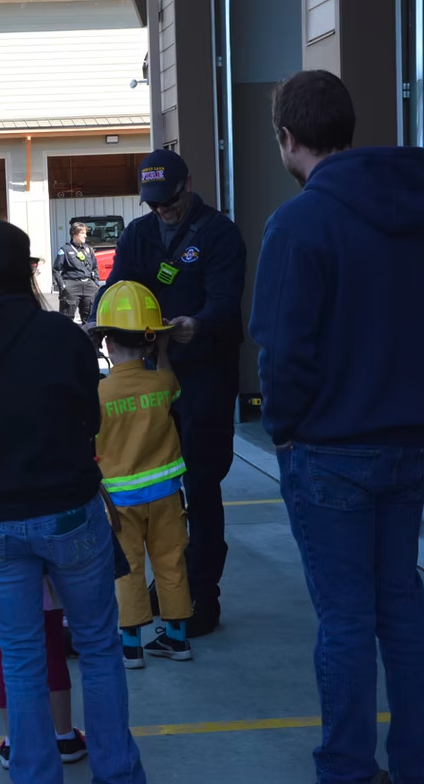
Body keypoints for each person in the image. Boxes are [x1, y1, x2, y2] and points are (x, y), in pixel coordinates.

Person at [249, 69, 424, 784]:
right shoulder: (418, 220)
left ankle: (346, 768)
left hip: (328, 452)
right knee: (402, 611)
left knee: (345, 621)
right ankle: (417, 769)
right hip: (405, 446)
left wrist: (283, 429)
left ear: (287, 136)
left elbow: (282, 351)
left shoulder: (298, 223)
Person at [0, 220, 144, 784]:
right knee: (98, 647)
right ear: (21, 270)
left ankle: (33, 774)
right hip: (68, 510)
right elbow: (89, 419)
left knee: (21, 657)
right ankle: (116, 771)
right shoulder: (60, 336)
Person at [89, 149, 246, 638]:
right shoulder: (138, 234)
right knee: (157, 492)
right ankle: (167, 587)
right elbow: (115, 290)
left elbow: (225, 300)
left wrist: (196, 324)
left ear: (188, 186)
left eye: (171, 201)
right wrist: (108, 327)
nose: (164, 211)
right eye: (154, 204)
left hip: (205, 376)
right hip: (153, 377)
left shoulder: (219, 233)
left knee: (201, 486)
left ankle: (202, 595)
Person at [92, 281, 192, 668]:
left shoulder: (99, 392)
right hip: (167, 495)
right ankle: (179, 640)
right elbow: (172, 385)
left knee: (127, 568)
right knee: (171, 563)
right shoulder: (162, 382)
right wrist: (163, 350)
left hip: (120, 504)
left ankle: (131, 645)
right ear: (151, 343)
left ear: (107, 345)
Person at [0, 579, 87, 771]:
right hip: (41, 573)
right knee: (52, 649)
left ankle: (13, 743)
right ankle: (65, 738)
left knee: (6, 654)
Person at [53, 222, 100, 322]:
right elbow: (56, 269)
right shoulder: (65, 250)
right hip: (71, 285)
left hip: (88, 286)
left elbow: (95, 267)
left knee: (90, 319)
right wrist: (63, 286)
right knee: (67, 319)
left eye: (85, 233)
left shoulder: (88, 249)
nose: (85, 236)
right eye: (82, 233)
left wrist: (95, 282)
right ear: (74, 234)